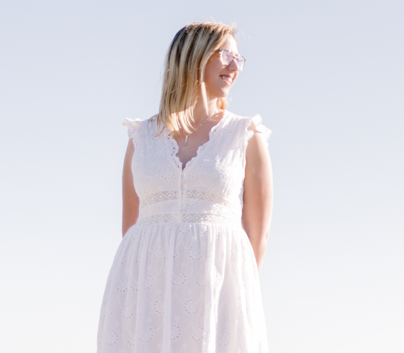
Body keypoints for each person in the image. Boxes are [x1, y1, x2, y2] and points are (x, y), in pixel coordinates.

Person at [97, 22, 274, 353]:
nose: (235, 66)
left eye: (239, 58)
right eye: (225, 55)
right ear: (193, 56)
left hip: (219, 286)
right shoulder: (141, 137)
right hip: (145, 288)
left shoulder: (245, 135)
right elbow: (130, 226)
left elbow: (257, 234)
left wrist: (239, 297)